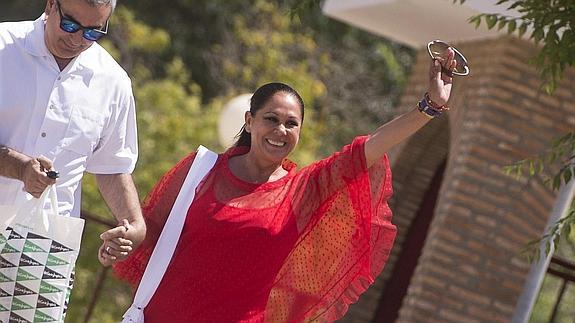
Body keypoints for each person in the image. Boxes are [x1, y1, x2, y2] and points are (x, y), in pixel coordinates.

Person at [113, 51, 457, 321]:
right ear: (249, 121)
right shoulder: (199, 170)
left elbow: (368, 148)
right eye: (271, 119)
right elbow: (147, 233)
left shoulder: (303, 190)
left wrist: (429, 107)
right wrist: (120, 244)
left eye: (291, 124)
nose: (280, 131)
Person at [0, 0, 145, 267]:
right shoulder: (3, 46)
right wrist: (19, 168)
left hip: (44, 254)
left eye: (93, 32)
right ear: (50, 6)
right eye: (70, 25)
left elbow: (112, 167)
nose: (78, 40)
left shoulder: (113, 82)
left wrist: (133, 224)